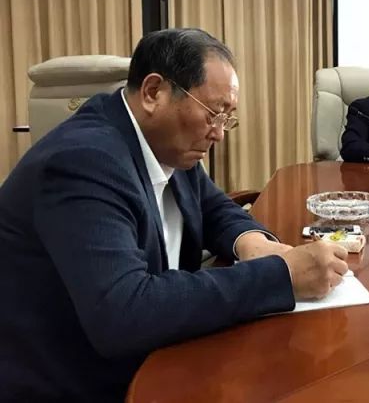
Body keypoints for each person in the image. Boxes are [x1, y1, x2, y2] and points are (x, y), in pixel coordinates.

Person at [0, 28, 348, 402]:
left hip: (157, 355)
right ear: (154, 92)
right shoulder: (84, 161)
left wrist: (253, 243)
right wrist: (281, 275)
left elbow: (214, 207)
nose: (219, 134)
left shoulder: (164, 142)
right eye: (213, 113)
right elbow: (124, 314)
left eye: (227, 117)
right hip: (81, 380)